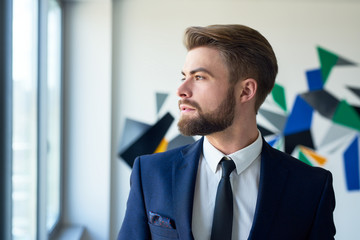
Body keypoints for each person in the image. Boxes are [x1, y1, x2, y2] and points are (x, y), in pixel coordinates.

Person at [118, 24, 336, 240]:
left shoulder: (311, 187)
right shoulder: (149, 173)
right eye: (183, 76)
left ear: (245, 91)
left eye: (199, 77)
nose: (181, 91)